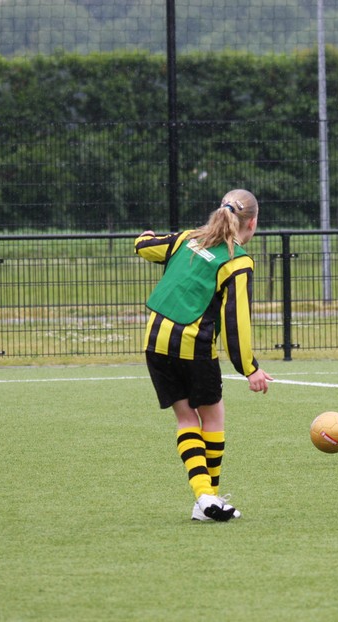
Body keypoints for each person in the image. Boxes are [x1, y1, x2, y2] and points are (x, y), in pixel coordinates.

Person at [135, 189, 273, 522]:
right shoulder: (238, 261)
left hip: (155, 340)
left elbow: (145, 246)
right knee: (212, 418)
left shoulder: (186, 239)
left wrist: (145, 236)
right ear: (252, 223)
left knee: (186, 420)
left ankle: (205, 501)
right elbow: (236, 321)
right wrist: (249, 368)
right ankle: (208, 497)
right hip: (193, 343)